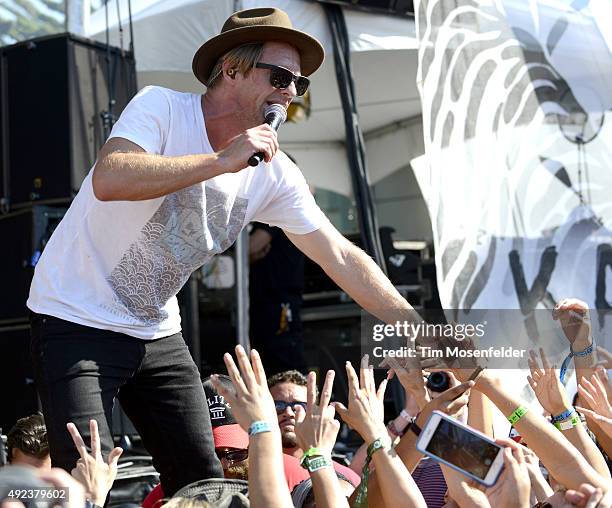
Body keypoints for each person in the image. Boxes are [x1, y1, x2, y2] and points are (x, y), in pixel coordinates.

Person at [26, 5, 420, 496]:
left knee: (204, 483)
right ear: (232, 68)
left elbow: (337, 254)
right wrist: (220, 160)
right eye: (280, 76)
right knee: (87, 480)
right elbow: (110, 177)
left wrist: (415, 326)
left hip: (154, 329)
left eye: (299, 83)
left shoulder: (275, 172)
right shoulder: (162, 108)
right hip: (75, 315)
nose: (291, 92)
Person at [267, 370, 360, 486]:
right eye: (278, 405)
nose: (288, 412)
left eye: (299, 406)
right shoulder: (245, 467)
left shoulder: (345, 478)